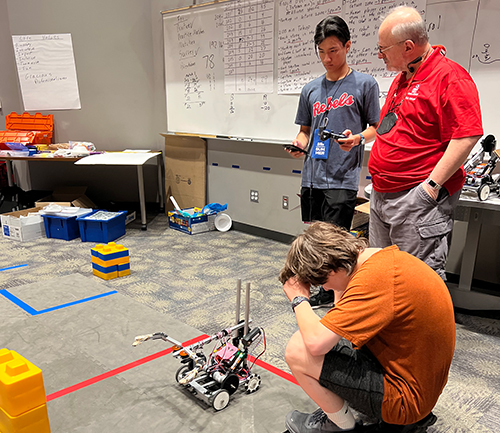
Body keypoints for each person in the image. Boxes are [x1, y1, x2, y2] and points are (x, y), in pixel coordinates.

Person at [279, 222, 455, 433]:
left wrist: (299, 299)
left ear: (333, 269)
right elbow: (338, 320)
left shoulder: (374, 280)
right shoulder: (381, 261)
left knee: (298, 350)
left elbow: (316, 344)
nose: (324, 288)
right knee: (331, 336)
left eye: (322, 281)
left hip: (407, 400)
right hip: (418, 382)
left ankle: (342, 427)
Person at [368, 6, 483, 280]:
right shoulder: (403, 78)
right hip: (383, 194)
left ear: (408, 46)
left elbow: (467, 134)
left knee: (417, 282)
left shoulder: (450, 77)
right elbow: (392, 127)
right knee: (382, 275)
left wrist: (430, 188)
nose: (380, 55)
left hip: (415, 198)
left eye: (383, 49)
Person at [286, 16, 380, 308]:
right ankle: (324, 286)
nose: (327, 58)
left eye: (334, 50)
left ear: (348, 46)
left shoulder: (365, 84)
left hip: (343, 175)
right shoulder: (311, 89)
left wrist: (357, 139)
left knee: (335, 239)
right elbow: (304, 131)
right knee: (315, 236)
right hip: (313, 174)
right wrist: (298, 145)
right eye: (322, 51)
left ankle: (334, 292)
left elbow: (376, 127)